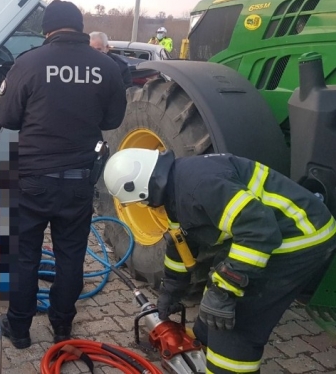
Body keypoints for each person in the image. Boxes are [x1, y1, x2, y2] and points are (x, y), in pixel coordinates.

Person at [103, 149, 336, 374]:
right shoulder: (176, 185)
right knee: (217, 297)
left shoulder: (201, 187)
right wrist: (172, 289)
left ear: (141, 190)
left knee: (235, 322)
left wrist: (224, 292)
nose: (144, 206)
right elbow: (181, 241)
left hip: (301, 237)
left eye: (140, 201)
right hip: (276, 231)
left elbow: (259, 231)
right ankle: (205, 342)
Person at [0, 0, 127, 349]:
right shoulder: (105, 66)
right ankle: (62, 328)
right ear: (80, 27)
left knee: (24, 256)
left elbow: (6, 117)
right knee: (70, 256)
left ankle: (19, 330)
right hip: (79, 181)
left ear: (47, 29)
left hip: (33, 179)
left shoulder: (29, 63)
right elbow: (113, 119)